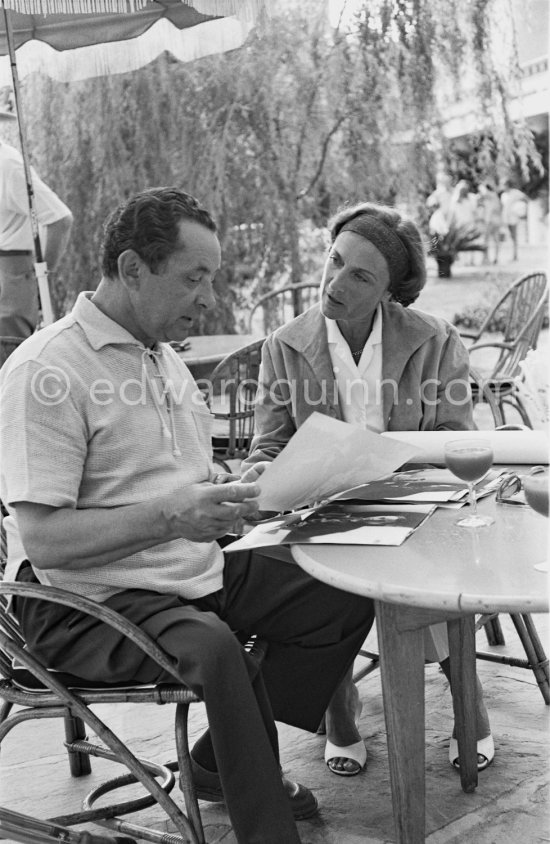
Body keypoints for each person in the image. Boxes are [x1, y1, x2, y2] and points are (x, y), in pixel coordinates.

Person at [0, 187, 376, 844]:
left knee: (337, 592)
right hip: (83, 599)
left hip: (183, 568)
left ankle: (215, 762)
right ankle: (264, 824)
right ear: (132, 268)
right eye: (193, 278)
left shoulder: (165, 358)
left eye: (213, 279)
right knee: (215, 648)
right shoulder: (46, 370)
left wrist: (247, 485)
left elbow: (178, 484)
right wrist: (173, 517)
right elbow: (46, 541)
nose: (209, 298)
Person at [242, 201, 494, 777]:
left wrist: (401, 469)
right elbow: (268, 444)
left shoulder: (434, 339)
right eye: (334, 262)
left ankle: (468, 708)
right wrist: (262, 472)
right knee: (311, 583)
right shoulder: (285, 344)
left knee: (432, 585)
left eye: (360, 275)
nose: (335, 283)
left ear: (389, 291)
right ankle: (340, 715)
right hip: (325, 508)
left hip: (415, 505)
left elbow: (457, 435)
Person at [0, 105, 73, 338]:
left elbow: (60, 219)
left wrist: (41, 275)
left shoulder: (8, 167)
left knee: (7, 356)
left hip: (10, 274)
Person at [500, 181, 529, 262]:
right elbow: (504, 207)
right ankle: (512, 255)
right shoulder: (503, 195)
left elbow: (525, 198)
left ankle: (515, 255)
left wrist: (519, 208)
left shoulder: (515, 192)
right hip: (506, 218)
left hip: (513, 218)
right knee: (509, 237)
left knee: (514, 237)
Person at [476, 183, 502, 264]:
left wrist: (481, 187)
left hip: (491, 221)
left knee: (487, 240)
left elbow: (483, 192)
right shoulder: (494, 197)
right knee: (494, 240)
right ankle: (491, 258)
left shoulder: (491, 195)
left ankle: (489, 258)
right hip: (495, 221)